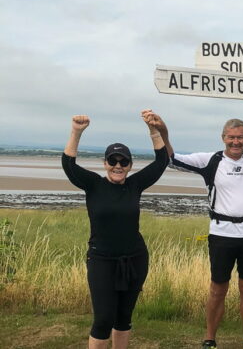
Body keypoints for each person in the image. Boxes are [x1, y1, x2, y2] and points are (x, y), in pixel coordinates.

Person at [150, 108, 243, 349]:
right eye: (231, 137)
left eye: (240, 137)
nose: (235, 142)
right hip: (221, 233)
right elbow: (173, 159)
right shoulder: (210, 161)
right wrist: (164, 132)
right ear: (223, 138)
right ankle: (209, 338)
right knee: (217, 289)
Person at [61, 110, 168, 349]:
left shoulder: (135, 185)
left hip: (135, 259)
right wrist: (76, 132)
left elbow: (162, 162)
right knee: (103, 319)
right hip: (101, 260)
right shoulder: (93, 184)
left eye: (123, 162)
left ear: (130, 165)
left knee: (123, 318)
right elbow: (68, 165)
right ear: (105, 163)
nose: (118, 166)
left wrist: (153, 130)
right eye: (113, 161)